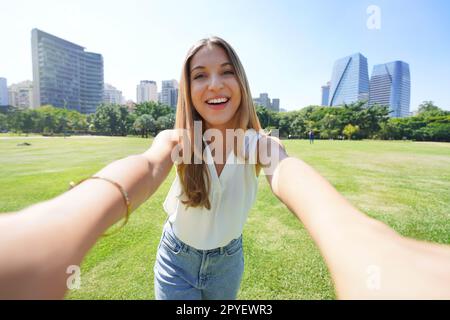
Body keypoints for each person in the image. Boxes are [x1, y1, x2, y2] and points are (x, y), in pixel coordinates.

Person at [1, 36, 449, 300]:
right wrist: (57, 224)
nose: (214, 84)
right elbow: (145, 166)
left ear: (241, 82)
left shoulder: (258, 143)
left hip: (226, 264)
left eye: (226, 71)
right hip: (175, 261)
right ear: (188, 88)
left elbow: (291, 175)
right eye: (199, 75)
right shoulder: (177, 140)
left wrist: (371, 244)